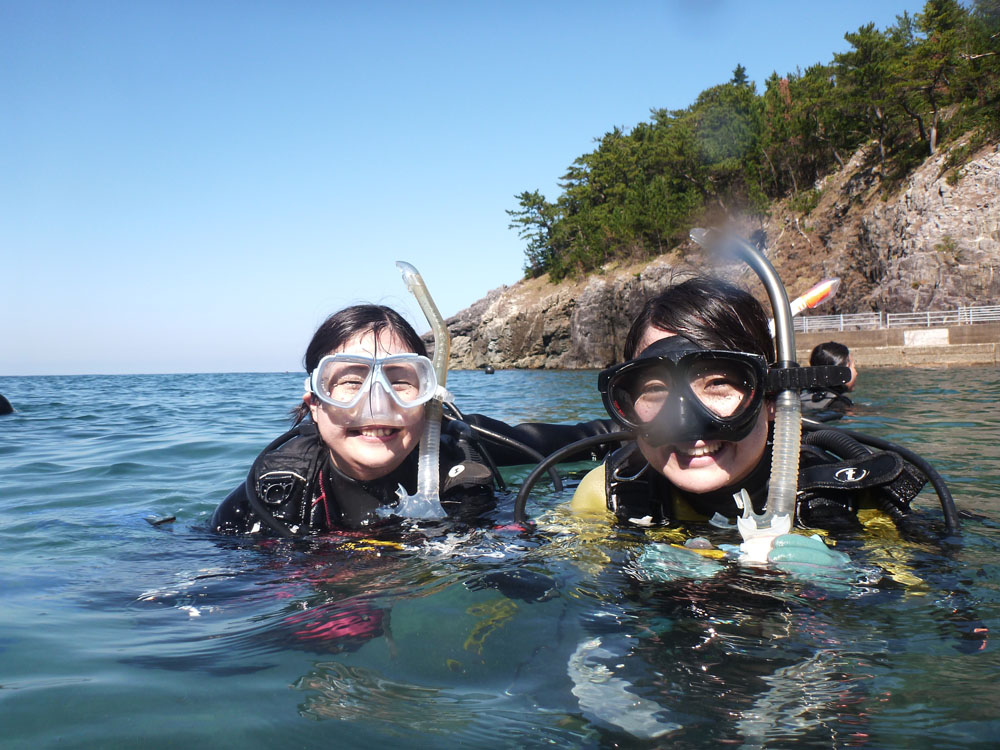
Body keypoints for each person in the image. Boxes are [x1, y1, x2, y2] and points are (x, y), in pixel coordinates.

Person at [570, 277, 927, 540]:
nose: (684, 421)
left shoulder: (850, 505)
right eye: (655, 390)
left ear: (773, 399)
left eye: (718, 384)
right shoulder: (608, 496)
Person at [213, 304, 612, 536]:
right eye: (350, 382)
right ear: (315, 404)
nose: (376, 402)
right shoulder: (274, 494)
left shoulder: (457, 451)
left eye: (401, 381)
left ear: (429, 397)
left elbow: (589, 438)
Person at [800, 341, 857, 414]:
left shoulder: (803, 396)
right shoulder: (843, 407)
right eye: (854, 367)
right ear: (842, 373)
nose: (856, 373)